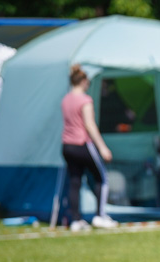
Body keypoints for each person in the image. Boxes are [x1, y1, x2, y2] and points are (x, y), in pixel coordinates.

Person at [61, 64, 117, 230]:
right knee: (102, 177)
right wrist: (103, 148)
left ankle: (76, 220)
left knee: (74, 181)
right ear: (84, 81)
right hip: (82, 144)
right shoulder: (85, 100)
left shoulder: (66, 99)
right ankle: (100, 215)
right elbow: (90, 125)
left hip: (66, 146)